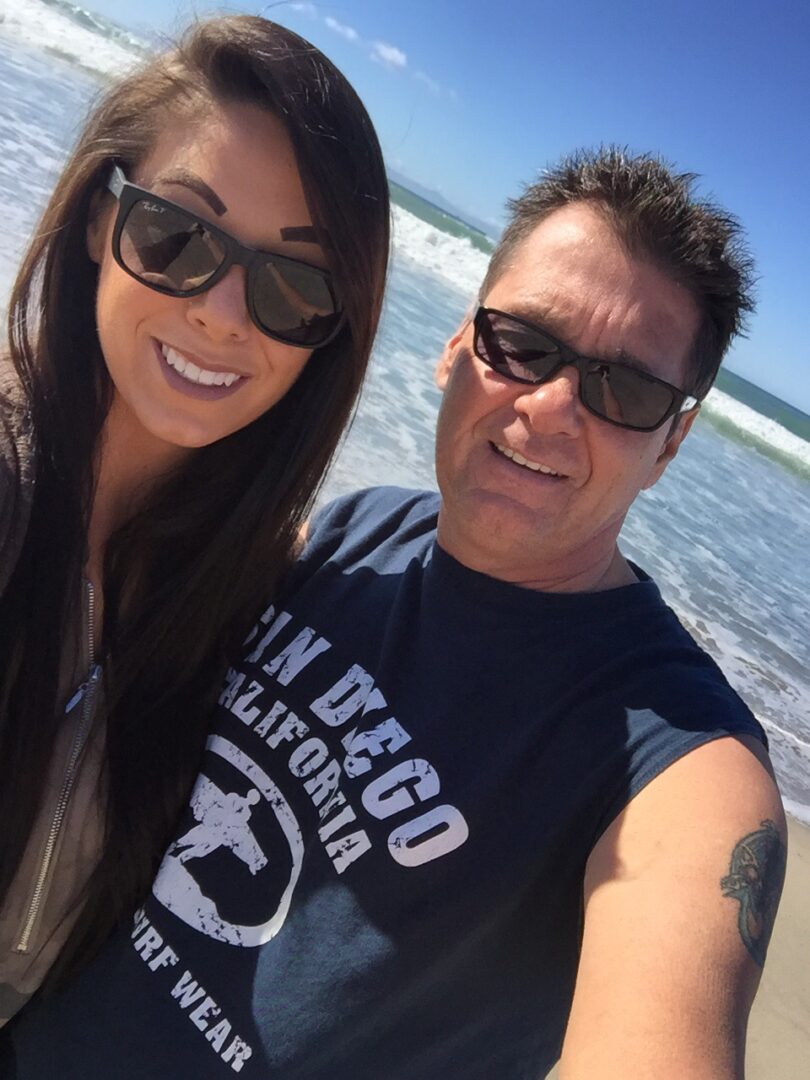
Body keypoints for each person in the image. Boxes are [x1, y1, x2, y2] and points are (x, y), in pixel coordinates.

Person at [5, 151, 786, 1079]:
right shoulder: (356, 530)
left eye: (626, 392)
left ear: (673, 442)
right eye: (522, 344)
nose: (550, 409)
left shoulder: (682, 765)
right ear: (458, 346)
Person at [0, 14, 389, 1031]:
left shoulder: (241, 598)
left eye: (293, 285)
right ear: (98, 218)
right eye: (178, 234)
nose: (223, 311)